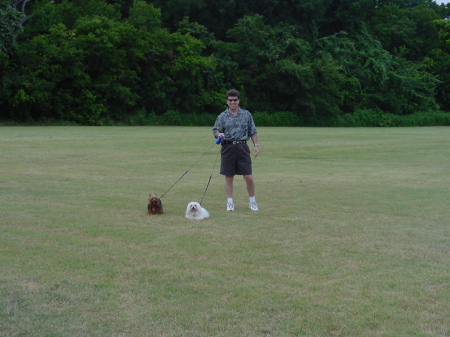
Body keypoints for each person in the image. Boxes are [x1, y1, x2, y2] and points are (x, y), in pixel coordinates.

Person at [212, 89, 259, 211]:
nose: (233, 102)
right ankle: (230, 202)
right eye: (230, 100)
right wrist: (219, 134)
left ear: (238, 101)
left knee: (248, 176)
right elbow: (215, 130)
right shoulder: (222, 116)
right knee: (229, 176)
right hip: (228, 147)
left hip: (242, 147)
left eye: (235, 100)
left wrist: (256, 145)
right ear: (227, 101)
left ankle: (252, 201)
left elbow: (252, 131)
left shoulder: (246, 114)